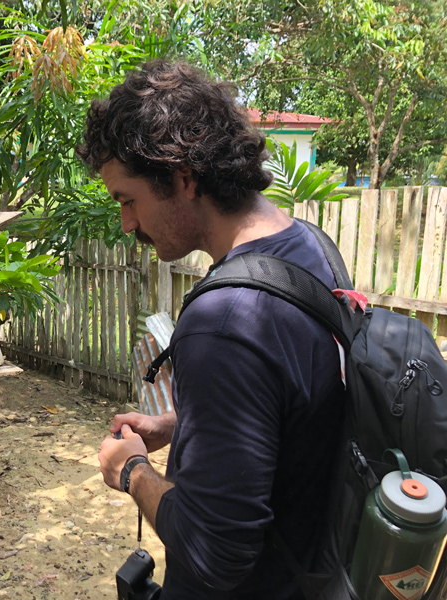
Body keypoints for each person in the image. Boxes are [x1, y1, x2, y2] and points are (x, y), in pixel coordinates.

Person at [81, 60, 346, 598]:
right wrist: (183, 424)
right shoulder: (313, 249)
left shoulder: (221, 322)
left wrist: (132, 470)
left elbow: (214, 552)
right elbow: (299, 406)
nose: (127, 225)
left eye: (128, 200)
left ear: (183, 177)